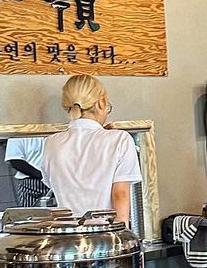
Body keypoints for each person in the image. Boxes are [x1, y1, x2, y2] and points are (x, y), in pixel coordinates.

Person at [41, 74, 142, 225]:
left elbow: (55, 184)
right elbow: (120, 195)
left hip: (66, 234)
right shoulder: (120, 139)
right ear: (101, 103)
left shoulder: (51, 143)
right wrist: (123, 231)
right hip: (103, 233)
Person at [4, 136, 50, 207]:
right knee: (30, 213)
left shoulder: (54, 134)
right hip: (31, 184)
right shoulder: (18, 135)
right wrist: (42, 175)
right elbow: (15, 161)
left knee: (59, 212)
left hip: (56, 181)